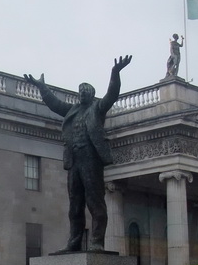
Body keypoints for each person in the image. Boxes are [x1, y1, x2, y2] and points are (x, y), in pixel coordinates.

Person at [23, 55, 132, 253]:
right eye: (80, 92)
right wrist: (42, 87)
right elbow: (54, 104)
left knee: (95, 202)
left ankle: (97, 241)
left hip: (91, 160)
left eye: (85, 92)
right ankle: (74, 241)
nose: (82, 94)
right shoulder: (73, 110)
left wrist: (115, 73)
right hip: (74, 160)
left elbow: (112, 95)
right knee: (75, 205)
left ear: (91, 94)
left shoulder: (97, 109)